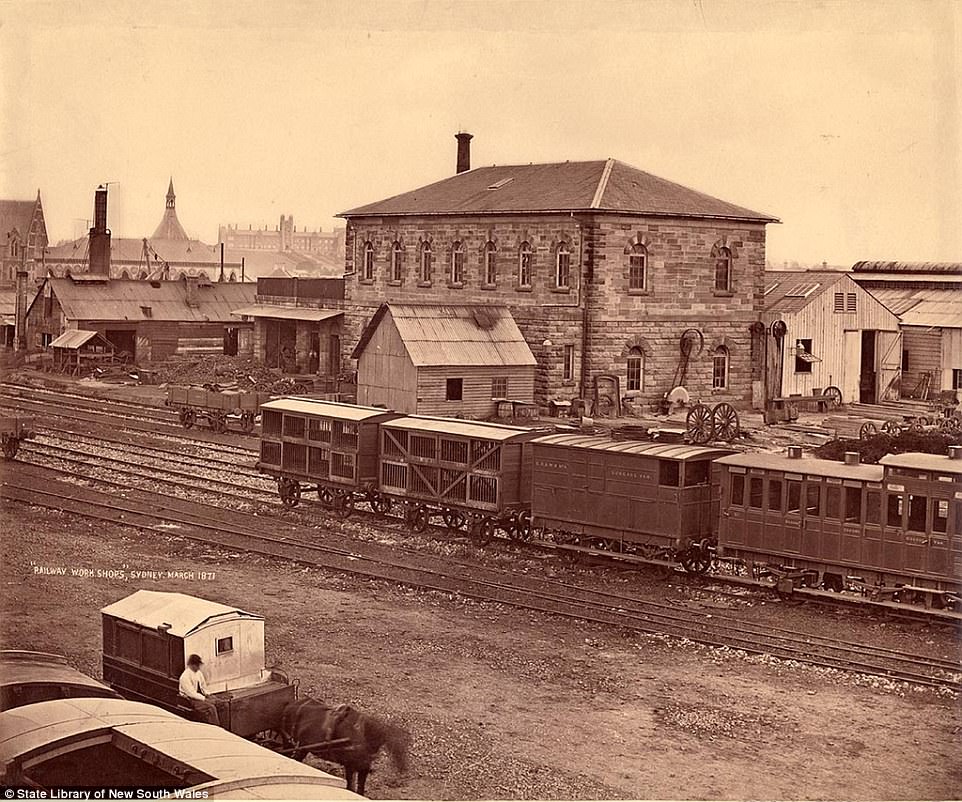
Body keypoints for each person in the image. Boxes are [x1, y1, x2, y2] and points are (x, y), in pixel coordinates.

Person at [178, 654, 220, 726]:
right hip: (191, 700)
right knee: (211, 707)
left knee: (221, 703)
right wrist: (205, 699)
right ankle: (216, 727)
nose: (198, 667)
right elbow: (191, 693)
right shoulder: (185, 677)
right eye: (197, 665)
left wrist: (209, 695)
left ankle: (224, 726)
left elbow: (203, 687)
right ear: (192, 665)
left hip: (201, 696)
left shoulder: (198, 673)